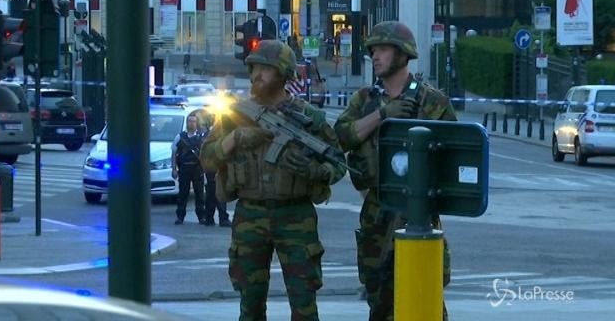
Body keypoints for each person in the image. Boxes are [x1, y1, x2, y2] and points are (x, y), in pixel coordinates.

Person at [200, 39, 346, 320]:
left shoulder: (308, 118)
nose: (257, 74)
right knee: (250, 305)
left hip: (296, 215)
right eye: (254, 67)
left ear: (283, 73)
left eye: (265, 69)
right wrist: (234, 138)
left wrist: (316, 171)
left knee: (304, 305)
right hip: (250, 213)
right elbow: (207, 159)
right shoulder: (235, 115)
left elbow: (338, 162)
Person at [333, 21, 457, 321]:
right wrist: (382, 115)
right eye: (373, 50)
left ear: (403, 54)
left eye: (383, 49)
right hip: (376, 211)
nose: (375, 56)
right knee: (379, 300)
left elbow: (455, 155)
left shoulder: (432, 102)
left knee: (424, 295)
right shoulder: (364, 100)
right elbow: (341, 136)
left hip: (419, 212)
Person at [171, 114, 206, 225]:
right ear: (187, 123)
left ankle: (201, 217)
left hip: (197, 169)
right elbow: (173, 154)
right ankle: (180, 217)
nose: (192, 123)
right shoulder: (179, 137)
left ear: (197, 123)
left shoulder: (201, 137)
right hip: (184, 168)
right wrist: (174, 169)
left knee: (199, 194)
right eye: (190, 121)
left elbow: (205, 154)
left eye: (194, 121)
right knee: (183, 194)